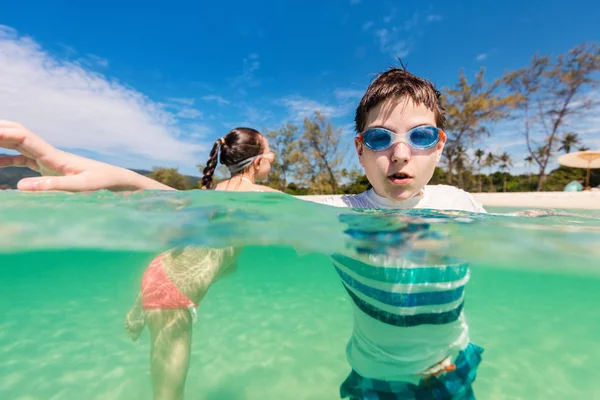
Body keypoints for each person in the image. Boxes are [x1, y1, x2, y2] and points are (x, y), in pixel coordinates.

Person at [0, 67, 486, 399]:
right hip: (376, 381)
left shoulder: (462, 204)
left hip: (452, 369)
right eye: (381, 138)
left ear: (440, 145)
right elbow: (213, 205)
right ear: (360, 150)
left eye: (420, 136)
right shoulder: (335, 214)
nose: (399, 154)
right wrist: (117, 176)